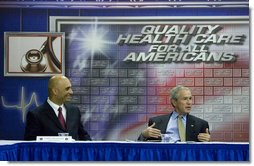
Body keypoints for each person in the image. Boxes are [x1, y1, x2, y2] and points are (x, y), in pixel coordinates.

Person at [24, 75, 91, 141]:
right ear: (55, 91)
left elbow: (84, 136)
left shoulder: (74, 111)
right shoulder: (36, 115)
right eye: (67, 89)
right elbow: (30, 146)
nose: (71, 92)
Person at [138, 85, 210, 142]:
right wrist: (144, 135)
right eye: (185, 99)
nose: (189, 103)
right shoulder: (156, 122)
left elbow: (206, 152)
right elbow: (144, 150)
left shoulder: (201, 124)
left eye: (190, 98)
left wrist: (208, 141)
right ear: (174, 102)